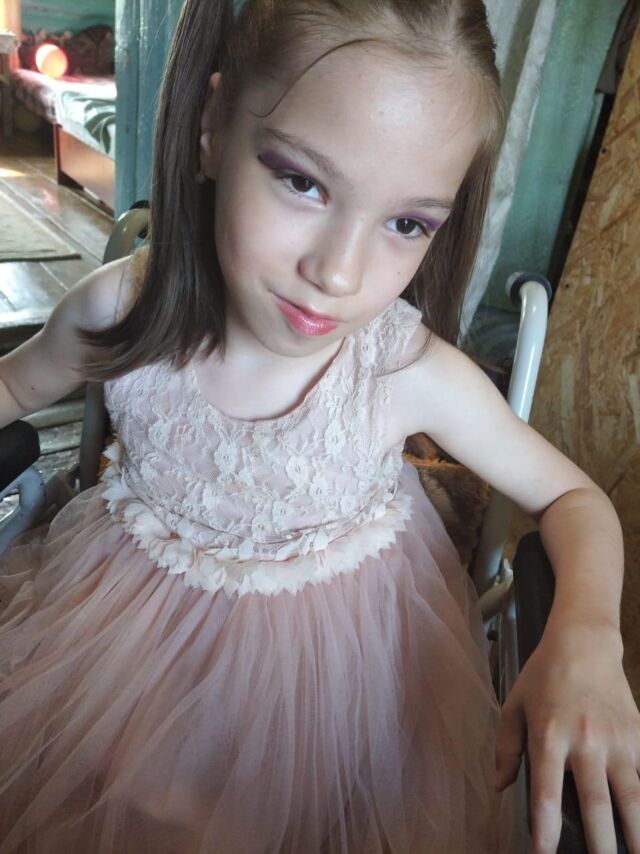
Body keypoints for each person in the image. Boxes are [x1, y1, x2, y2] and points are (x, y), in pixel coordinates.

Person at [0, 0, 638, 851]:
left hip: (337, 696)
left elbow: (571, 497)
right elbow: (13, 383)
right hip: (118, 651)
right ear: (213, 126)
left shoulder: (403, 372)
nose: (338, 273)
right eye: (303, 181)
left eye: (406, 223)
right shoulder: (121, 307)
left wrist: (588, 635)